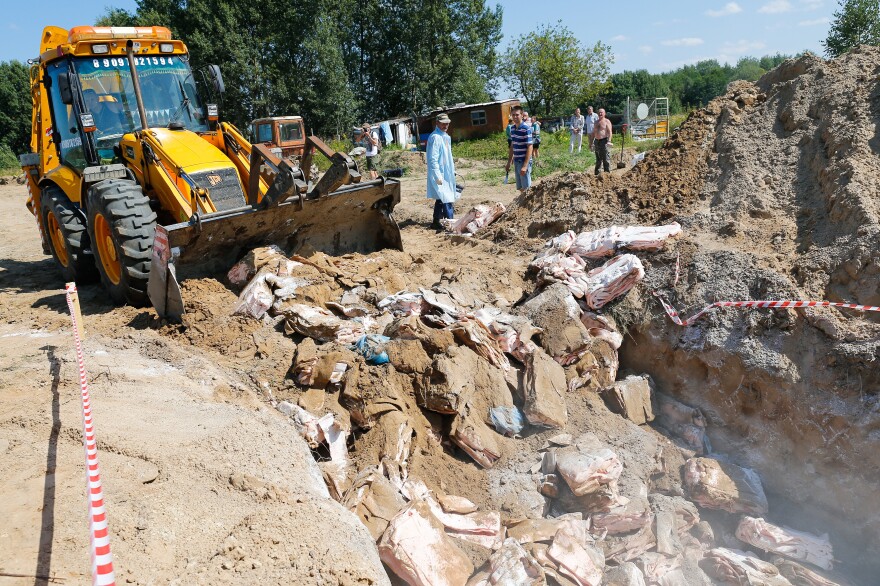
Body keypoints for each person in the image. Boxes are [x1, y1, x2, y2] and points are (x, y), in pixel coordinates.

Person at [426, 113, 458, 230]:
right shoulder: (436, 137)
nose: (446, 125)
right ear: (437, 123)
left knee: (441, 197)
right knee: (447, 198)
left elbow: (447, 158)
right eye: (443, 123)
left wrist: (452, 171)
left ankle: (436, 221)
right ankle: (451, 223)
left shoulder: (445, 136)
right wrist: (437, 175)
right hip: (440, 173)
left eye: (447, 123)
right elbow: (432, 159)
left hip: (446, 172)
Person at [505, 106, 534, 193]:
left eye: (517, 115)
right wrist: (509, 162)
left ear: (522, 115)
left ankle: (529, 205)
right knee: (520, 187)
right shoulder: (512, 128)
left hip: (524, 161)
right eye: (513, 115)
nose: (515, 117)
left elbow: (530, 146)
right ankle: (524, 205)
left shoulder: (526, 128)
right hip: (517, 161)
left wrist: (525, 166)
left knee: (527, 188)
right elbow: (512, 146)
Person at [590, 108, 613, 175]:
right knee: (598, 158)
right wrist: (591, 143)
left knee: (606, 158)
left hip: (604, 141)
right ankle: (597, 173)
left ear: (604, 113)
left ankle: (607, 173)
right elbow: (593, 133)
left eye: (601, 112)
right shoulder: (596, 122)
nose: (600, 114)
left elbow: (610, 132)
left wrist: (609, 140)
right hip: (597, 141)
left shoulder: (607, 121)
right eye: (599, 112)